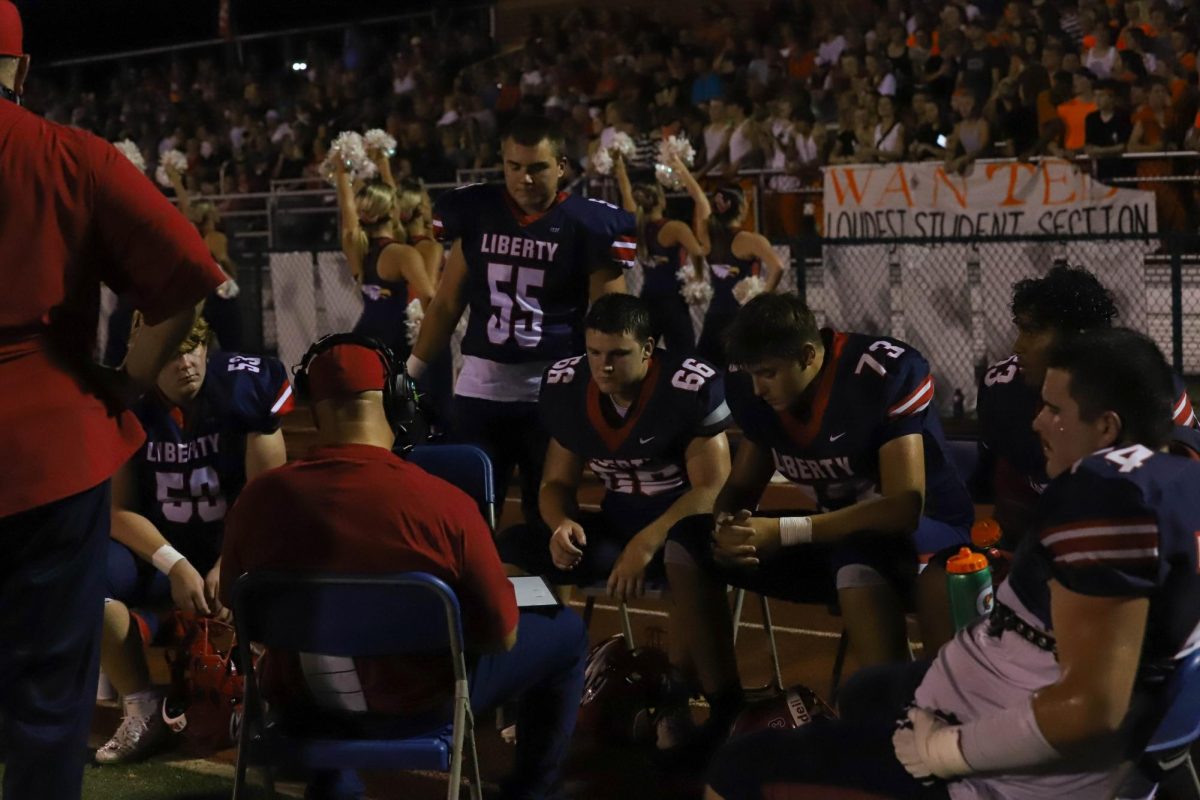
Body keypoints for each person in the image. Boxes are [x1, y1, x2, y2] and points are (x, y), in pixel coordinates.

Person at [704, 327, 1200, 800]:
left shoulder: (1103, 498)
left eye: (1054, 408)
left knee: (737, 770)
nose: (1036, 421)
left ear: (1107, 426)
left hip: (1004, 770)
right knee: (867, 692)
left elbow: (1091, 710)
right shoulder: (1175, 476)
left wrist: (946, 752)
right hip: (1004, 698)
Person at [0, 1, 227, 795]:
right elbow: (189, 277)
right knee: (48, 695)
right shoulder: (73, 155)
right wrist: (125, 380)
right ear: (22, 71)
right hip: (51, 448)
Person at [220, 335, 588, 800]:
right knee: (567, 633)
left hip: (304, 705)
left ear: (312, 408)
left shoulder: (258, 500)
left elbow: (235, 603)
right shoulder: (446, 505)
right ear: (396, 400)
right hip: (420, 707)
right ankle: (532, 791)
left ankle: (333, 781)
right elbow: (501, 635)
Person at [667, 293, 974, 746]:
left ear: (809, 356)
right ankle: (724, 711)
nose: (757, 389)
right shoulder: (758, 396)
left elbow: (902, 506)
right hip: (831, 533)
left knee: (858, 557)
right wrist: (730, 523)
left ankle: (893, 731)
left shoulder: (878, 376)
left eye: (769, 373)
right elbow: (740, 486)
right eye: (753, 375)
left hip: (926, 538)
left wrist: (786, 531)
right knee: (688, 541)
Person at [497, 294, 732, 743]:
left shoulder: (688, 386)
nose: (603, 366)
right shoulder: (568, 387)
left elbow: (712, 489)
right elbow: (555, 485)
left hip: (678, 534)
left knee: (690, 556)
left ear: (647, 349)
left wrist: (645, 544)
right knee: (513, 551)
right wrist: (559, 523)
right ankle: (534, 675)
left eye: (619, 354)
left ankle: (672, 699)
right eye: (595, 353)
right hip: (617, 528)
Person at [406, 114, 637, 525]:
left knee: (545, 514)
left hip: (553, 391)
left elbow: (610, 320)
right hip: (480, 388)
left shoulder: (589, 224)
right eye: (514, 167)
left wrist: (606, 389)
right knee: (464, 515)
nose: (523, 179)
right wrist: (410, 373)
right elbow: (446, 304)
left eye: (536, 168)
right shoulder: (476, 212)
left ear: (562, 166)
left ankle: (546, 591)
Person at [94, 314, 293, 764]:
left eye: (195, 346)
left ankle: (284, 702)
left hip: (243, 544)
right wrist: (174, 563)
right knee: (87, 578)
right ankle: (141, 707)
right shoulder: (126, 401)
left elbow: (269, 495)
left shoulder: (247, 386)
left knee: (298, 555)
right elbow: (116, 510)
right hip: (160, 553)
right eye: (171, 352)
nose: (187, 362)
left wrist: (231, 561)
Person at [976, 265, 1196, 550]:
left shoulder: (1147, 387)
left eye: (1032, 331)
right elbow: (990, 488)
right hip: (1040, 535)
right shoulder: (1003, 391)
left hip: (1131, 535)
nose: (1018, 346)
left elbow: (1181, 479)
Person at [334, 158, 436, 361]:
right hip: (397, 346)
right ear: (392, 211)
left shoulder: (358, 249)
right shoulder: (404, 254)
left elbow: (348, 215)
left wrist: (341, 171)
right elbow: (430, 299)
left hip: (364, 340)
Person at [613, 151, 710, 353]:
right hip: (673, 301)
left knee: (643, 353)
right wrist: (698, 278)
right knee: (684, 357)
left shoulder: (635, 223)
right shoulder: (675, 228)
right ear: (661, 201)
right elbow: (698, 253)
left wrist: (618, 164)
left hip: (648, 299)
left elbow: (625, 190)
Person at [695, 185, 784, 369]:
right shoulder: (751, 240)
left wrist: (680, 166)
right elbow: (778, 267)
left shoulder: (709, 235)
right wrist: (762, 299)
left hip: (715, 317)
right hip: (741, 319)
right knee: (743, 375)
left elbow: (699, 198)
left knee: (706, 372)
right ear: (742, 207)